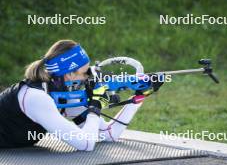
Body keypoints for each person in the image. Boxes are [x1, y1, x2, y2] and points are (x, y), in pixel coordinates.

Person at [0, 40, 163, 151]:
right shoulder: (36, 97)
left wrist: (141, 95)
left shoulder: (66, 93)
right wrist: (95, 107)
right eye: (86, 73)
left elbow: (109, 134)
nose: (89, 77)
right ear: (69, 74)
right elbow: (85, 144)